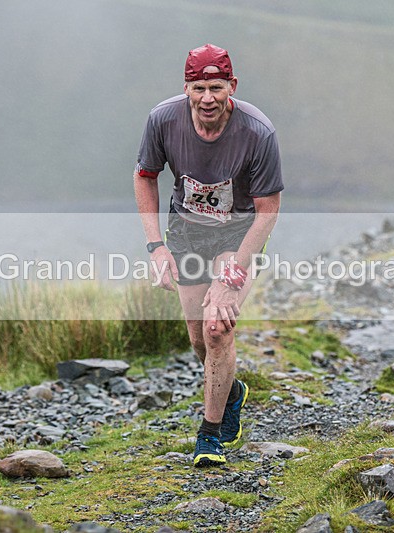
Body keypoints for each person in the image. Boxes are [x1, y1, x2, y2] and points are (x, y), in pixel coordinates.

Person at [133, 44, 283, 467]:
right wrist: (156, 247)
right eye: (199, 88)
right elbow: (144, 176)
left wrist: (232, 274)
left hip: (239, 234)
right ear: (186, 88)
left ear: (232, 86)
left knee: (217, 329)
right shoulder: (163, 120)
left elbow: (268, 210)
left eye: (216, 87)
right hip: (187, 233)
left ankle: (210, 436)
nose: (207, 98)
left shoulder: (258, 132)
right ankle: (231, 390)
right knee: (199, 339)